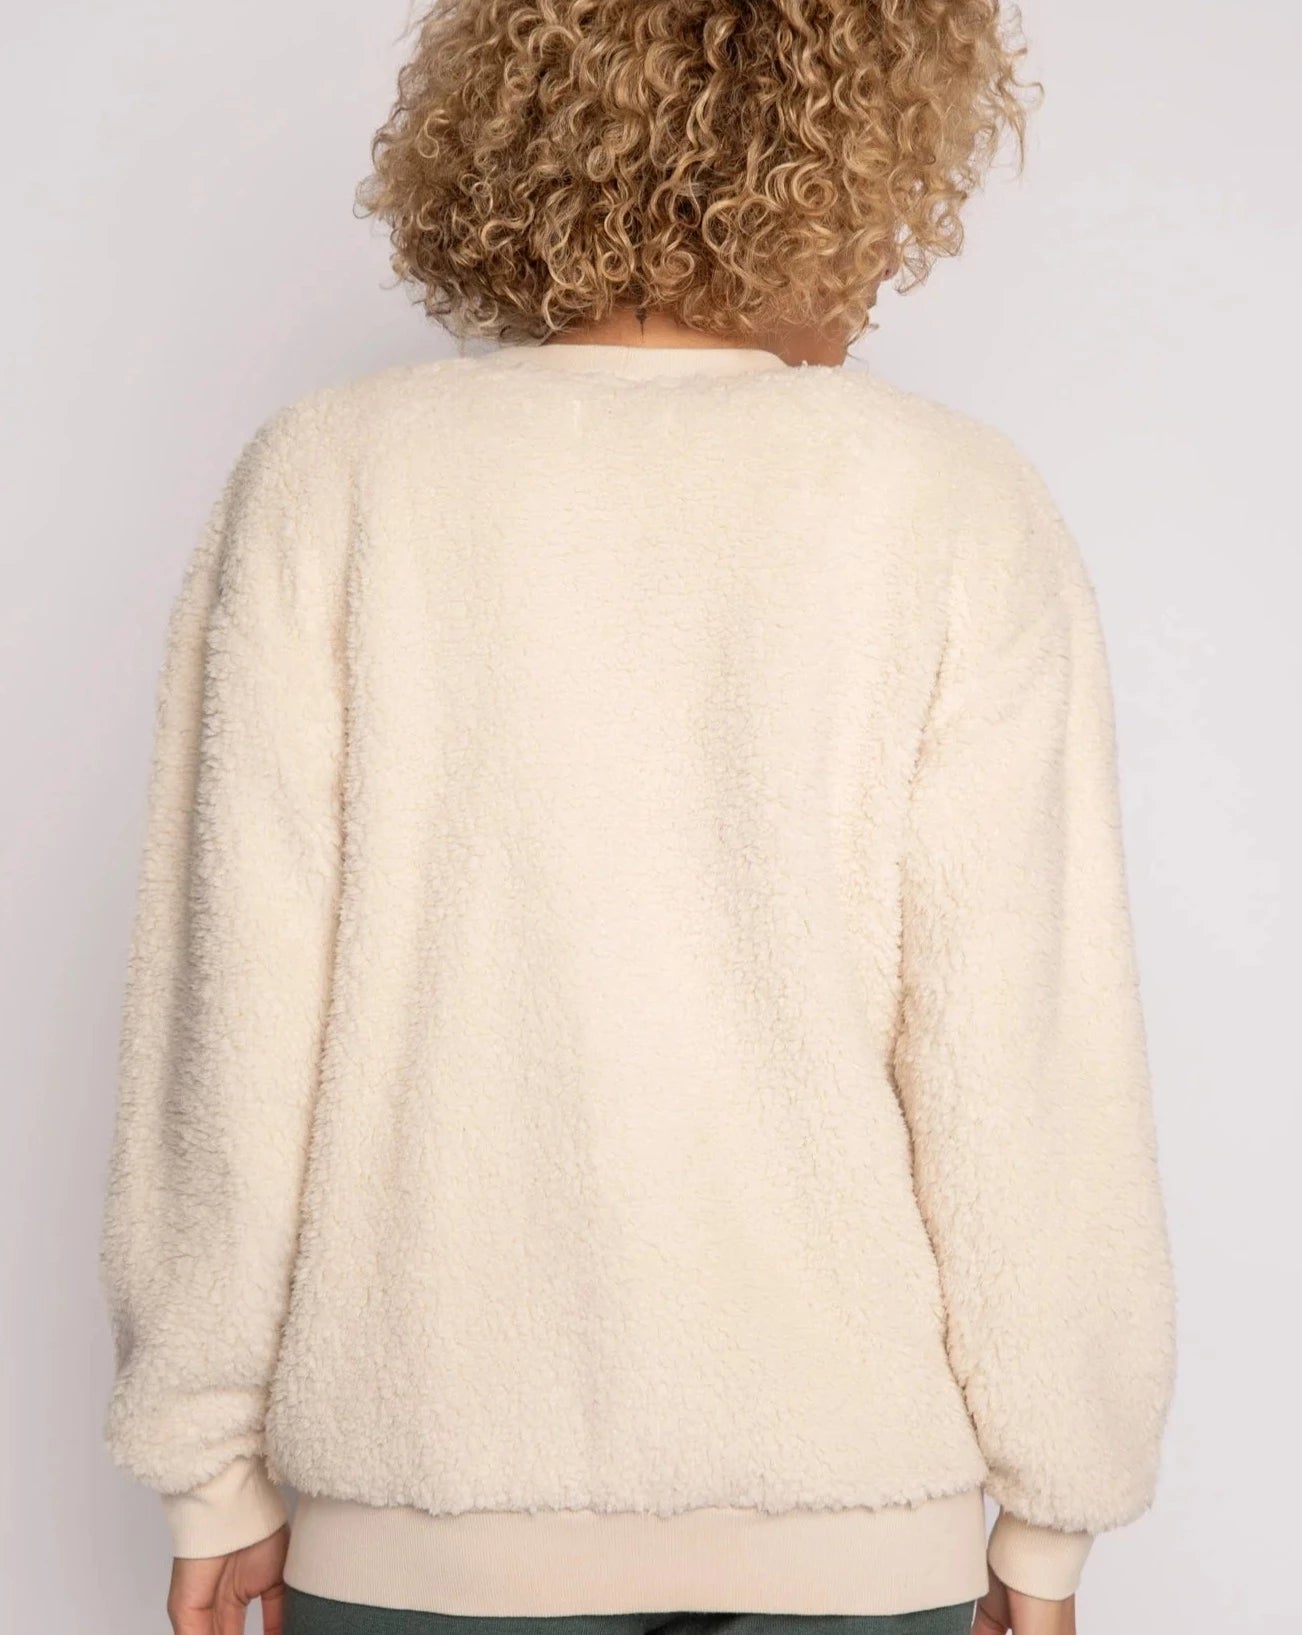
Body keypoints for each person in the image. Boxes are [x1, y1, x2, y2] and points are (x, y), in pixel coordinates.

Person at [98, 3, 1177, 1634]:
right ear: (862, 151)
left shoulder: (336, 474)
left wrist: (209, 1468)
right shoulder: (948, 498)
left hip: (424, 1501)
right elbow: (1018, 1048)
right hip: (853, 1508)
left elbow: (229, 1017)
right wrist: (1050, 1514)